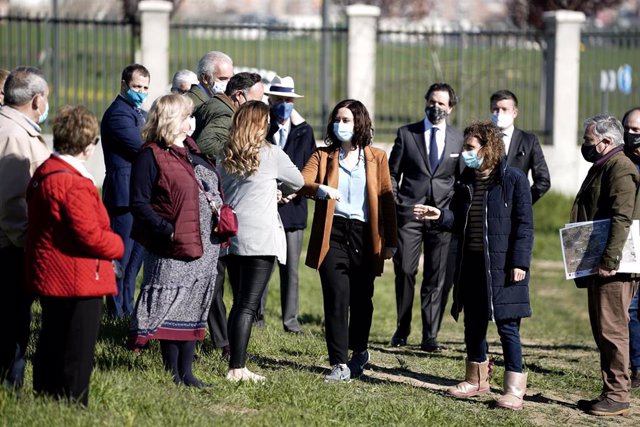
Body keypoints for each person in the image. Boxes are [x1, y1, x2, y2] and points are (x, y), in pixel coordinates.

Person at [414, 121, 533, 410]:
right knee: (473, 323)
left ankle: (514, 389)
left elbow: (525, 225)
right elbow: (457, 220)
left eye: (469, 147)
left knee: (507, 326)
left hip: (503, 266)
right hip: (472, 263)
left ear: (488, 149)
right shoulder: (466, 181)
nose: (464, 152)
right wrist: (439, 215)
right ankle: (477, 379)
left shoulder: (514, 180)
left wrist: (519, 262)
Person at [26, 105, 124, 406]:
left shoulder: (46, 171)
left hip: (53, 271)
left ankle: (46, 396)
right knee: (78, 348)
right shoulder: (73, 182)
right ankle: (72, 403)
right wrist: (118, 245)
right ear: (87, 145)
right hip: (77, 277)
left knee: (52, 338)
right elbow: (89, 235)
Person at [300, 99, 397, 382]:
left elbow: (387, 200)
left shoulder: (377, 157)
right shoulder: (323, 156)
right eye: (337, 119)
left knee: (362, 299)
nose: (339, 125)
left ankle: (359, 351)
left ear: (359, 124)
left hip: (365, 234)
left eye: (346, 120)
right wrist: (322, 190)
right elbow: (302, 181)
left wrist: (390, 240)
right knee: (336, 297)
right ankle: (338, 363)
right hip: (334, 232)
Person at [128, 94, 221, 387]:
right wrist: (166, 229)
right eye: (185, 116)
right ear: (171, 120)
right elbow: (139, 203)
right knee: (172, 305)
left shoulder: (192, 150)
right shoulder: (150, 155)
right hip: (171, 246)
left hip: (204, 244)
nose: (190, 121)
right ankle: (173, 374)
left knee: (193, 305)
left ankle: (187, 371)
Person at [219, 101, 303, 382]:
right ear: (260, 124)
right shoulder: (271, 154)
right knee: (248, 306)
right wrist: (280, 190)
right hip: (261, 238)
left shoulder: (225, 154)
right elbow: (299, 181)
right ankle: (237, 368)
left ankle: (234, 361)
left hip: (232, 237)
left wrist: (271, 191)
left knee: (238, 302)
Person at [189, 71, 264, 360]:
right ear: (239, 96)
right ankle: (223, 344)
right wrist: (236, 154)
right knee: (216, 279)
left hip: (212, 200)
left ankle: (221, 341)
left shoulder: (220, 108)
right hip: (212, 201)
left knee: (217, 278)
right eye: (256, 100)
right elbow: (206, 146)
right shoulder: (225, 115)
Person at [388, 82, 463, 351]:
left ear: (451, 108)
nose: (436, 107)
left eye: (441, 103)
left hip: (442, 217)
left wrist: (452, 212)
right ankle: (402, 327)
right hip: (410, 215)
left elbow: (462, 179)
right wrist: (398, 203)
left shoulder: (458, 139)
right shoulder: (407, 134)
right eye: (432, 101)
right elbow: (392, 174)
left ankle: (430, 335)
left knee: (436, 276)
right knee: (406, 270)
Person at [572, 114, 639, 416]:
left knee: (613, 329)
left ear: (607, 142)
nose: (585, 146)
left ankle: (618, 395)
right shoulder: (604, 165)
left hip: (615, 266)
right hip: (600, 261)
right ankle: (610, 391)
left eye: (589, 141)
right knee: (602, 328)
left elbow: (622, 217)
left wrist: (610, 261)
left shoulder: (620, 168)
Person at [0, 66, 50, 389]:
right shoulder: (15, 135)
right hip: (10, 247)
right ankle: (10, 388)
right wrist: (26, 239)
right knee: (13, 323)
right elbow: (11, 200)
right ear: (35, 100)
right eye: (45, 98)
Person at [257, 75, 316, 333]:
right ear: (270, 101)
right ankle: (256, 316)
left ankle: (290, 320)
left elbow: (310, 168)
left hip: (293, 208)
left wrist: (295, 192)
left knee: (290, 268)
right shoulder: (262, 128)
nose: (284, 105)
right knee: (263, 265)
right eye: (279, 100)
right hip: (265, 207)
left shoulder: (304, 131)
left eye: (288, 100)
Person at [101, 63, 150, 319]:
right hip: (123, 196)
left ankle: (127, 309)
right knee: (121, 257)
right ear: (123, 85)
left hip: (137, 195)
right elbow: (142, 146)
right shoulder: (119, 114)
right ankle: (116, 311)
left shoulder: (137, 112)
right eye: (136, 86)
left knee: (134, 262)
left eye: (144, 88)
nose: (141, 92)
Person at [489, 90, 551, 203]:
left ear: (514, 113)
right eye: (495, 109)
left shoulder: (529, 141)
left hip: (516, 214)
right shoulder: (482, 140)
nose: (499, 113)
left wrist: (523, 202)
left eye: (504, 109)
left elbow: (543, 180)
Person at [193, 72, 264, 160]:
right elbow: (205, 144)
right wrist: (239, 150)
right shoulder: (227, 114)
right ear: (238, 95)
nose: (256, 109)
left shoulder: (217, 103)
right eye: (253, 103)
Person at [621, 106, 640, 390]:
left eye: (638, 129)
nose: (633, 134)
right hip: (630, 242)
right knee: (632, 308)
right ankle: (637, 367)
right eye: (629, 129)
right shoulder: (620, 161)